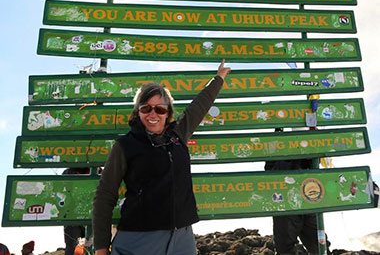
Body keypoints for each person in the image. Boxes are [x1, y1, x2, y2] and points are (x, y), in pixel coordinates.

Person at [92, 60, 231, 255]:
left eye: (160, 109)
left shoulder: (178, 135)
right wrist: (100, 247)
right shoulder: (125, 145)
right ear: (137, 112)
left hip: (182, 238)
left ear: (168, 113)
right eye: (146, 108)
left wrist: (218, 78)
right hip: (138, 240)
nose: (153, 114)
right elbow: (105, 195)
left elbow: (199, 106)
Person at [265, 128, 331, 255]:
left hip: (308, 202)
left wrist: (314, 139)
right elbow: (271, 172)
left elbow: (316, 165)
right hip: (285, 204)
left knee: (320, 247)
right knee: (285, 249)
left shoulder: (305, 144)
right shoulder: (274, 144)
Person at [62, 167, 91, 255]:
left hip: (92, 215)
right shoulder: (67, 173)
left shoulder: (98, 171)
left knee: (94, 246)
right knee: (72, 246)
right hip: (72, 215)